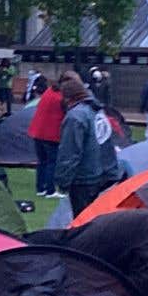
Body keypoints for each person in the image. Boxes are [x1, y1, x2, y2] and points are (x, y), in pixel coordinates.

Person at [53, 73, 121, 215]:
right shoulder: (96, 111)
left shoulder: (75, 117)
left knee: (82, 223)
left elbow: (70, 152)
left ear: (67, 98)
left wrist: (63, 180)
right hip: (103, 174)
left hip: (84, 179)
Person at [26, 74, 67, 198]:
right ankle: (50, 190)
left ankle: (40, 188)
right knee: (51, 161)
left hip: (37, 131)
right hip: (50, 134)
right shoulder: (61, 98)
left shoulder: (49, 92)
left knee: (42, 161)